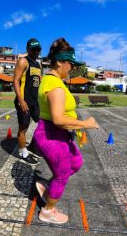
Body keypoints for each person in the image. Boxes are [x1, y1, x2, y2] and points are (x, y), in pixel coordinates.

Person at [32, 38, 99, 224]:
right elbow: (59, 119)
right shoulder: (55, 85)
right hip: (51, 134)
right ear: (60, 61)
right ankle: (47, 211)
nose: (72, 68)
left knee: (76, 163)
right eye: (70, 63)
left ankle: (49, 187)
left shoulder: (53, 80)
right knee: (62, 175)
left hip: (58, 134)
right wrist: (86, 124)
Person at [13, 38, 42, 166]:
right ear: (28, 49)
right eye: (33, 49)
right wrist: (21, 100)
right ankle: (23, 153)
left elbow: (39, 84)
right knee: (23, 128)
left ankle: (33, 146)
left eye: (38, 49)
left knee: (43, 124)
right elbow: (15, 81)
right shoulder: (23, 61)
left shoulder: (38, 64)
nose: (36, 51)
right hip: (24, 101)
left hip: (35, 102)